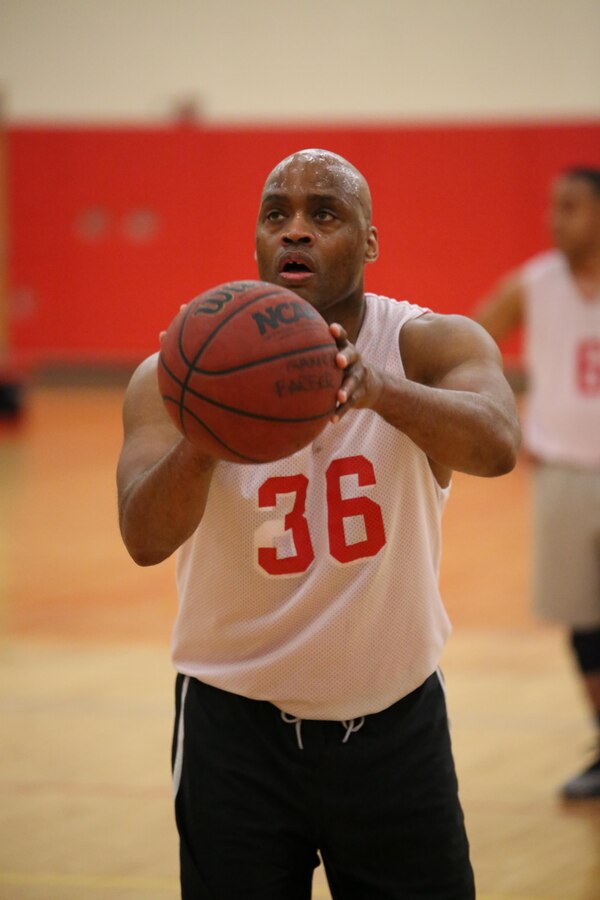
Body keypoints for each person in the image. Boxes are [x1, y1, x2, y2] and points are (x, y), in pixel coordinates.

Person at [117, 148, 520, 899]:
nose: (295, 231)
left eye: (323, 214)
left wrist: (376, 392)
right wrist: (204, 437)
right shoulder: (172, 376)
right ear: (258, 239)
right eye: (277, 215)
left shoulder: (426, 346)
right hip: (233, 735)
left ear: (369, 242)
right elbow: (143, 538)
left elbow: (498, 444)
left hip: (392, 725)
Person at [474, 166, 600, 800]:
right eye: (553, 206)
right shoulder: (535, 283)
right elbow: (465, 344)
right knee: (582, 622)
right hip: (564, 474)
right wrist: (498, 413)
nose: (555, 219)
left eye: (571, 207)